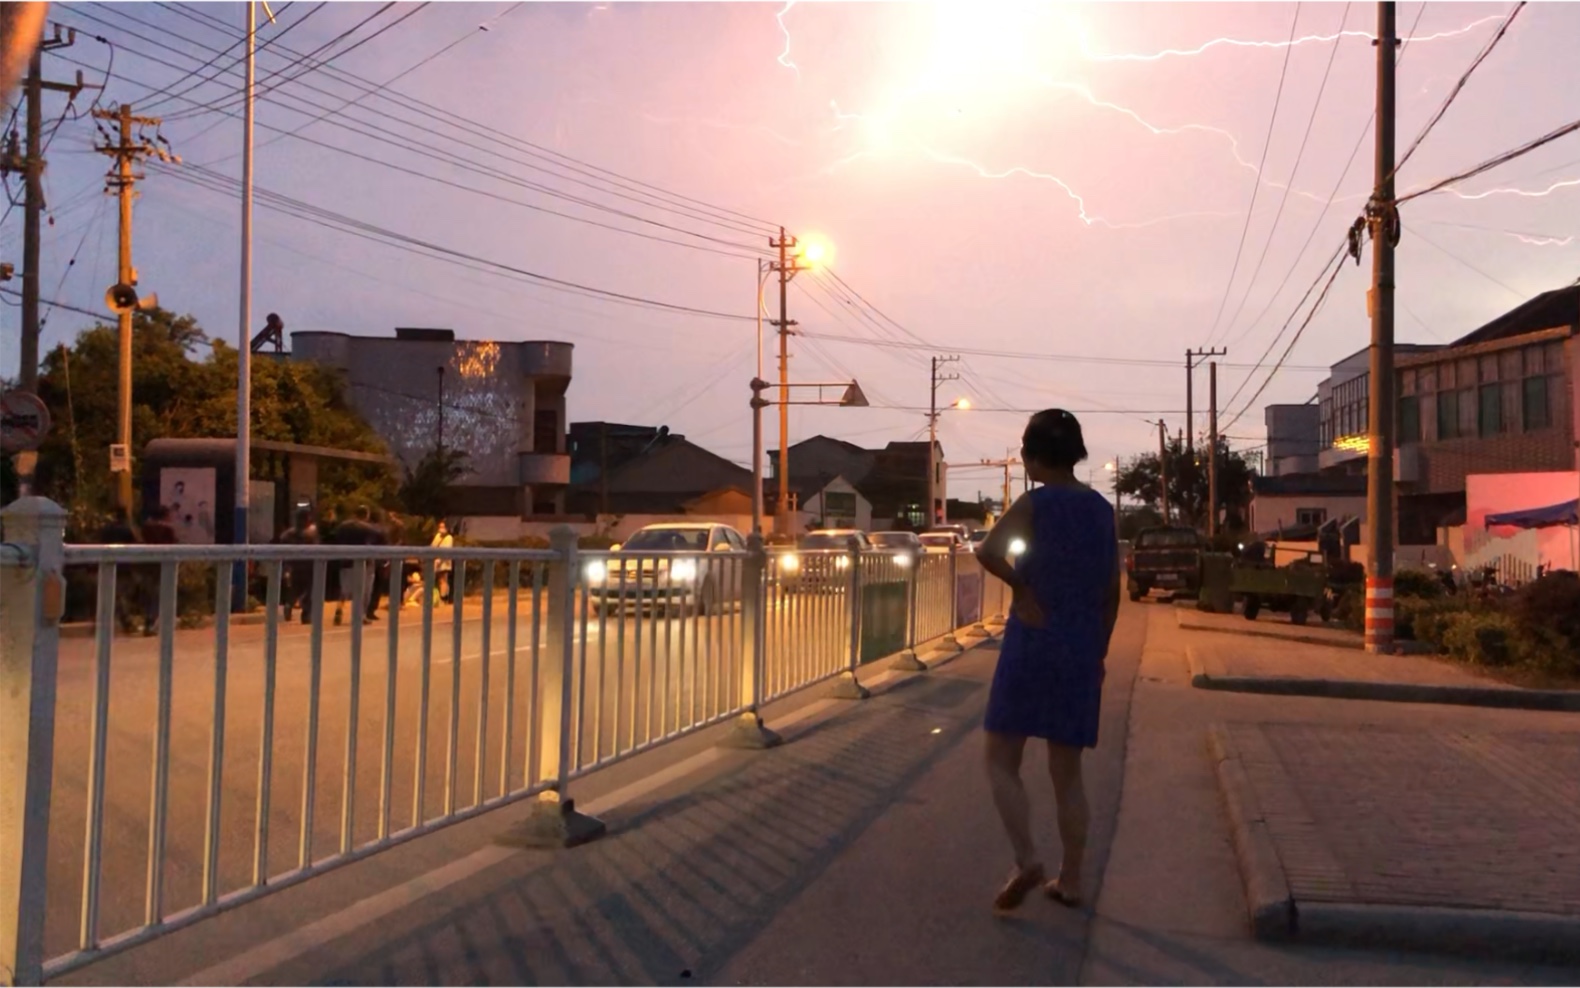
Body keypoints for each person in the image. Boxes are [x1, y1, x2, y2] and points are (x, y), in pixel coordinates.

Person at [974, 409, 1120, 913]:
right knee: (1068, 772)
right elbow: (1112, 592)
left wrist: (1020, 586)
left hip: (1033, 638)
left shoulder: (1034, 503)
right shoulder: (1102, 510)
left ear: (1035, 456)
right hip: (1080, 646)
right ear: (1075, 453)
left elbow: (987, 550)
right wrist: (1097, 651)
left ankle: (1027, 858)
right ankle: (1072, 880)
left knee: (1000, 757)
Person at [97, 507, 139, 634]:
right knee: (122, 594)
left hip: (107, 563)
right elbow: (135, 544)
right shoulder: (126, 529)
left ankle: (108, 620)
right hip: (124, 565)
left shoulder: (107, 529)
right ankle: (126, 621)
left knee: (113, 593)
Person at [140, 505, 179, 635]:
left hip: (147, 564)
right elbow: (174, 544)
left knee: (150, 593)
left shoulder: (146, 528)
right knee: (160, 594)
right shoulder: (167, 529)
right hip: (163, 565)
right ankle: (154, 621)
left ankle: (149, 620)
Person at [277, 507, 320, 624]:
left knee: (294, 590)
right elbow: (317, 549)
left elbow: (283, 550)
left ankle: (288, 605)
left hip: (294, 566)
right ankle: (306, 615)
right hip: (308, 567)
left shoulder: (287, 535)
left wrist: (286, 566)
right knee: (309, 591)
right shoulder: (311, 533)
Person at [431, 520, 455, 604]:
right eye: (440, 527)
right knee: (439, 580)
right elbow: (433, 546)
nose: (441, 529)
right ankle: (440, 597)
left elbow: (446, 550)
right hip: (436, 562)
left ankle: (444, 597)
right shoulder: (437, 536)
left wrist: (440, 559)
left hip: (445, 562)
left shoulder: (449, 538)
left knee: (443, 580)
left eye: (443, 527)